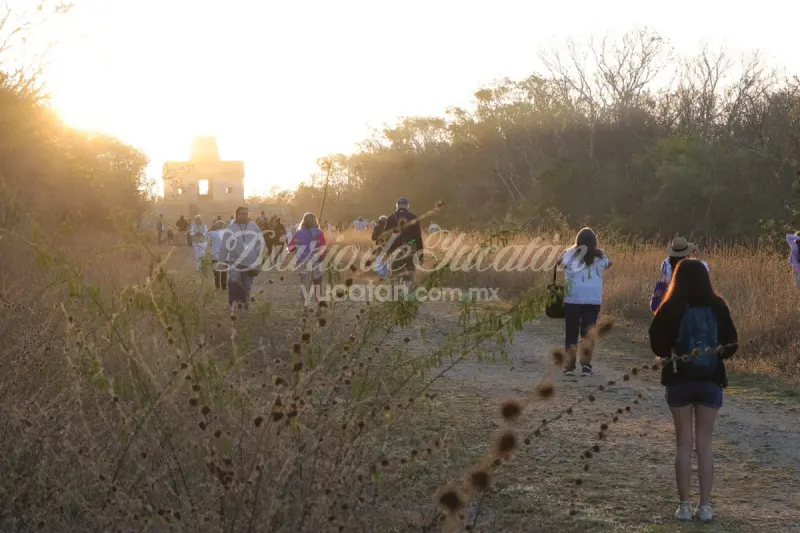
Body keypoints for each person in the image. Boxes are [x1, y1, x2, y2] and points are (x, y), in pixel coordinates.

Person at [648, 259, 738, 522]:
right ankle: (706, 506)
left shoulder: (671, 306)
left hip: (679, 379)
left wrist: (672, 352)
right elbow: (732, 344)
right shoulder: (718, 306)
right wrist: (714, 354)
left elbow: (656, 342)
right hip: (710, 380)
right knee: (705, 444)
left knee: (683, 444)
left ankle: (684, 506)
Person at [557, 227, 612, 376]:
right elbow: (609, 263)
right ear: (594, 241)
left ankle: (569, 367)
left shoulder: (570, 253)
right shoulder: (601, 256)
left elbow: (558, 263)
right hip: (592, 299)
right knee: (588, 334)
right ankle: (586, 366)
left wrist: (568, 249)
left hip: (572, 297)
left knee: (571, 331)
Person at [221, 206, 264, 312]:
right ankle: (233, 303)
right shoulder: (231, 229)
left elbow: (260, 242)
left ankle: (244, 303)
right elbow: (224, 245)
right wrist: (221, 260)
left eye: (246, 213)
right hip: (234, 261)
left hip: (250, 261)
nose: (244, 215)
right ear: (237, 215)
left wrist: (257, 255)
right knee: (234, 282)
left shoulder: (254, 227)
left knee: (247, 284)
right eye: (241, 214)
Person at [651, 237, 710, 312]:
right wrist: (694, 257)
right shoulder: (700, 265)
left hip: (671, 301)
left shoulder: (666, 264)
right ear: (687, 251)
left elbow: (664, 280)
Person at [383, 197, 424, 293]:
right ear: (407, 206)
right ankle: (407, 295)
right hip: (410, 250)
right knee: (409, 275)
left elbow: (385, 237)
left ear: (397, 206)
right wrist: (421, 254)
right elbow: (418, 237)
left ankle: (394, 296)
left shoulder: (391, 218)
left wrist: (386, 252)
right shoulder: (414, 217)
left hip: (395, 251)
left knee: (395, 275)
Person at [288, 212, 327, 305]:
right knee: (317, 285)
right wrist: (322, 257)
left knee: (304, 286)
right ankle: (319, 306)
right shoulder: (319, 232)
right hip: (317, 262)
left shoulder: (298, 233)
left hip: (303, 262)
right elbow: (323, 247)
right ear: (315, 221)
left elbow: (290, 248)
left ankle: (305, 308)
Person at [207, 220, 227, 290]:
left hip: (215, 255)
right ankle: (224, 286)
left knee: (216, 272)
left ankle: (217, 286)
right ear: (223, 226)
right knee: (224, 271)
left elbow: (209, 243)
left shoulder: (213, 233)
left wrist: (212, 227)